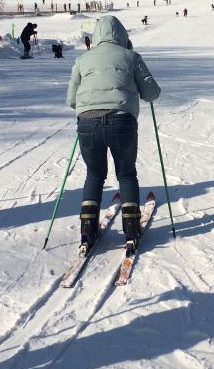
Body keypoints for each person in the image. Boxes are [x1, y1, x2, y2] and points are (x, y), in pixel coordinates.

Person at [66, 15, 160, 254]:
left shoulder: (82, 59)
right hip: (122, 121)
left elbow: (71, 100)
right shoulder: (131, 57)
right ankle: (131, 229)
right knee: (126, 173)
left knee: (94, 174)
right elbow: (151, 93)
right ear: (123, 35)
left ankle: (87, 229)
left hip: (87, 123)